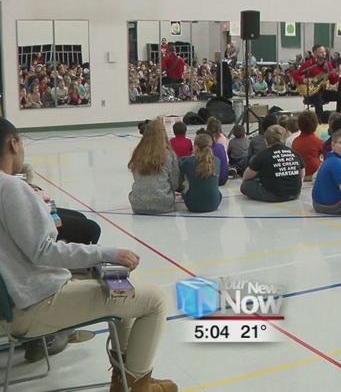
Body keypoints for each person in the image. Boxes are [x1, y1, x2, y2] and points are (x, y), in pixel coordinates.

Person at [0, 117, 177, 390]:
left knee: (124, 292)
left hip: (19, 299)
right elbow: (43, 250)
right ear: (14, 143)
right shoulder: (10, 187)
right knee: (155, 300)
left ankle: (126, 378)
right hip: (35, 303)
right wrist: (105, 253)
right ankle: (138, 385)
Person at [128, 119, 180, 214]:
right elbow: (175, 183)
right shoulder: (169, 155)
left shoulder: (137, 153)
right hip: (164, 203)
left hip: (138, 204)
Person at [241, 125, 304, 202]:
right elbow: (302, 174)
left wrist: (245, 181)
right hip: (295, 193)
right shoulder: (294, 153)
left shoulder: (263, 155)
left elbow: (247, 175)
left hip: (274, 195)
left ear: (265, 140)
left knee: (245, 186)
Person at [290, 44, 341, 117]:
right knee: (317, 98)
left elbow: (333, 81)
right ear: (315, 53)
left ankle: (339, 117)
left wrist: (339, 74)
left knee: (340, 96)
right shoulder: (308, 64)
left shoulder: (328, 64)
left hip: (321, 91)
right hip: (310, 92)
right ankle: (320, 120)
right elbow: (295, 74)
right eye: (321, 52)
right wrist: (304, 80)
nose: (324, 54)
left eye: (324, 52)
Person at [179, 133, 222, 213]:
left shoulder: (187, 162)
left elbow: (180, 181)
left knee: (186, 183)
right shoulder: (217, 161)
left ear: (195, 147)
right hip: (215, 203)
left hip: (193, 205)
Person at [291, 111, 324, 180]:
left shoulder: (295, 142)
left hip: (300, 173)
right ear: (315, 124)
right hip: (315, 173)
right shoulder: (318, 141)